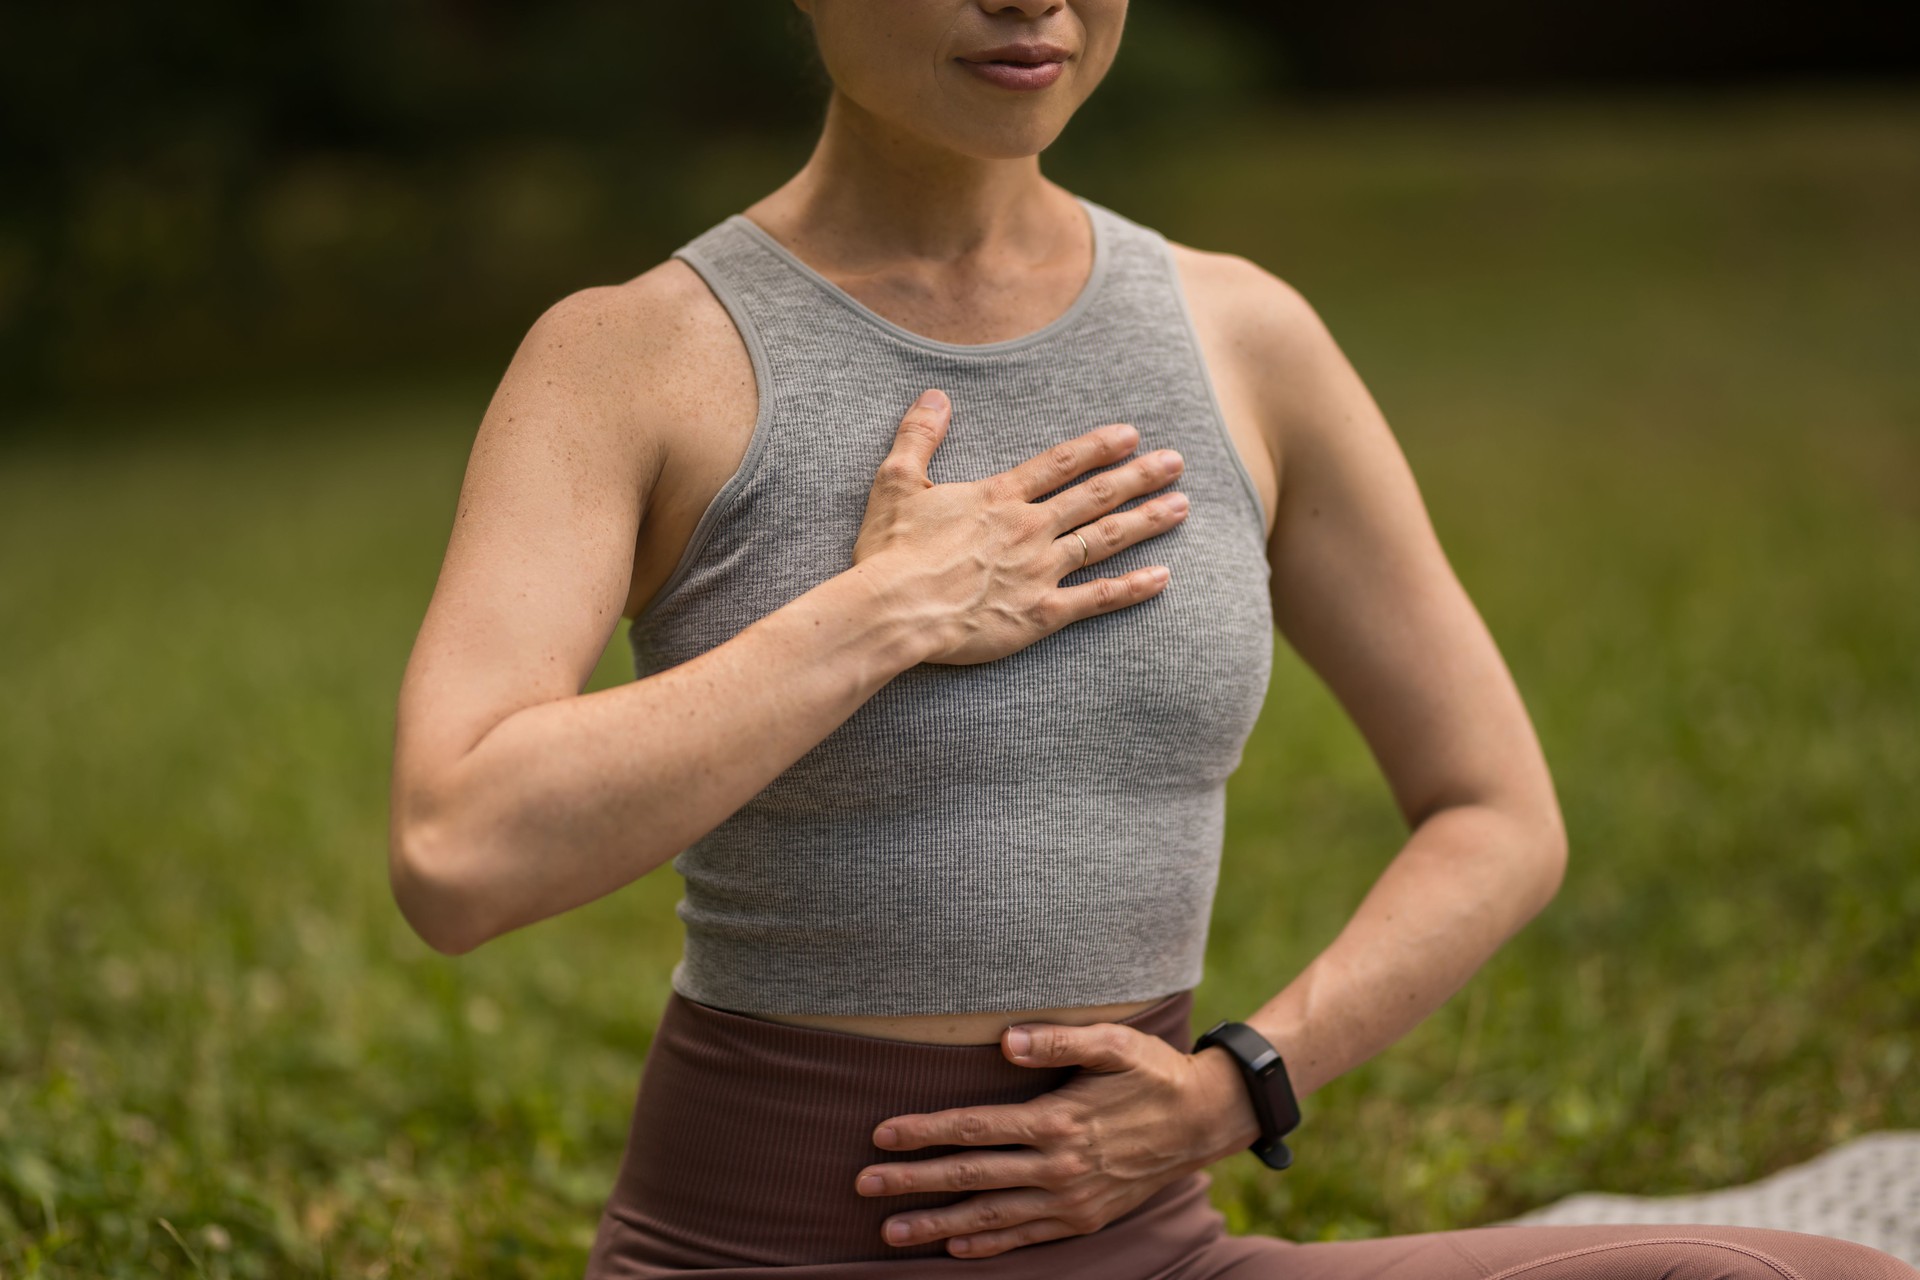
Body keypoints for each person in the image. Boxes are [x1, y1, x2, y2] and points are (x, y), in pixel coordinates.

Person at [386, 2, 1920, 1277]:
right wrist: (884, 612)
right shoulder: (632, 357)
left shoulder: (1244, 337)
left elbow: (1499, 816)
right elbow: (458, 854)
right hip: (768, 1250)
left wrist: (1233, 1091)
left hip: (1154, 1250)